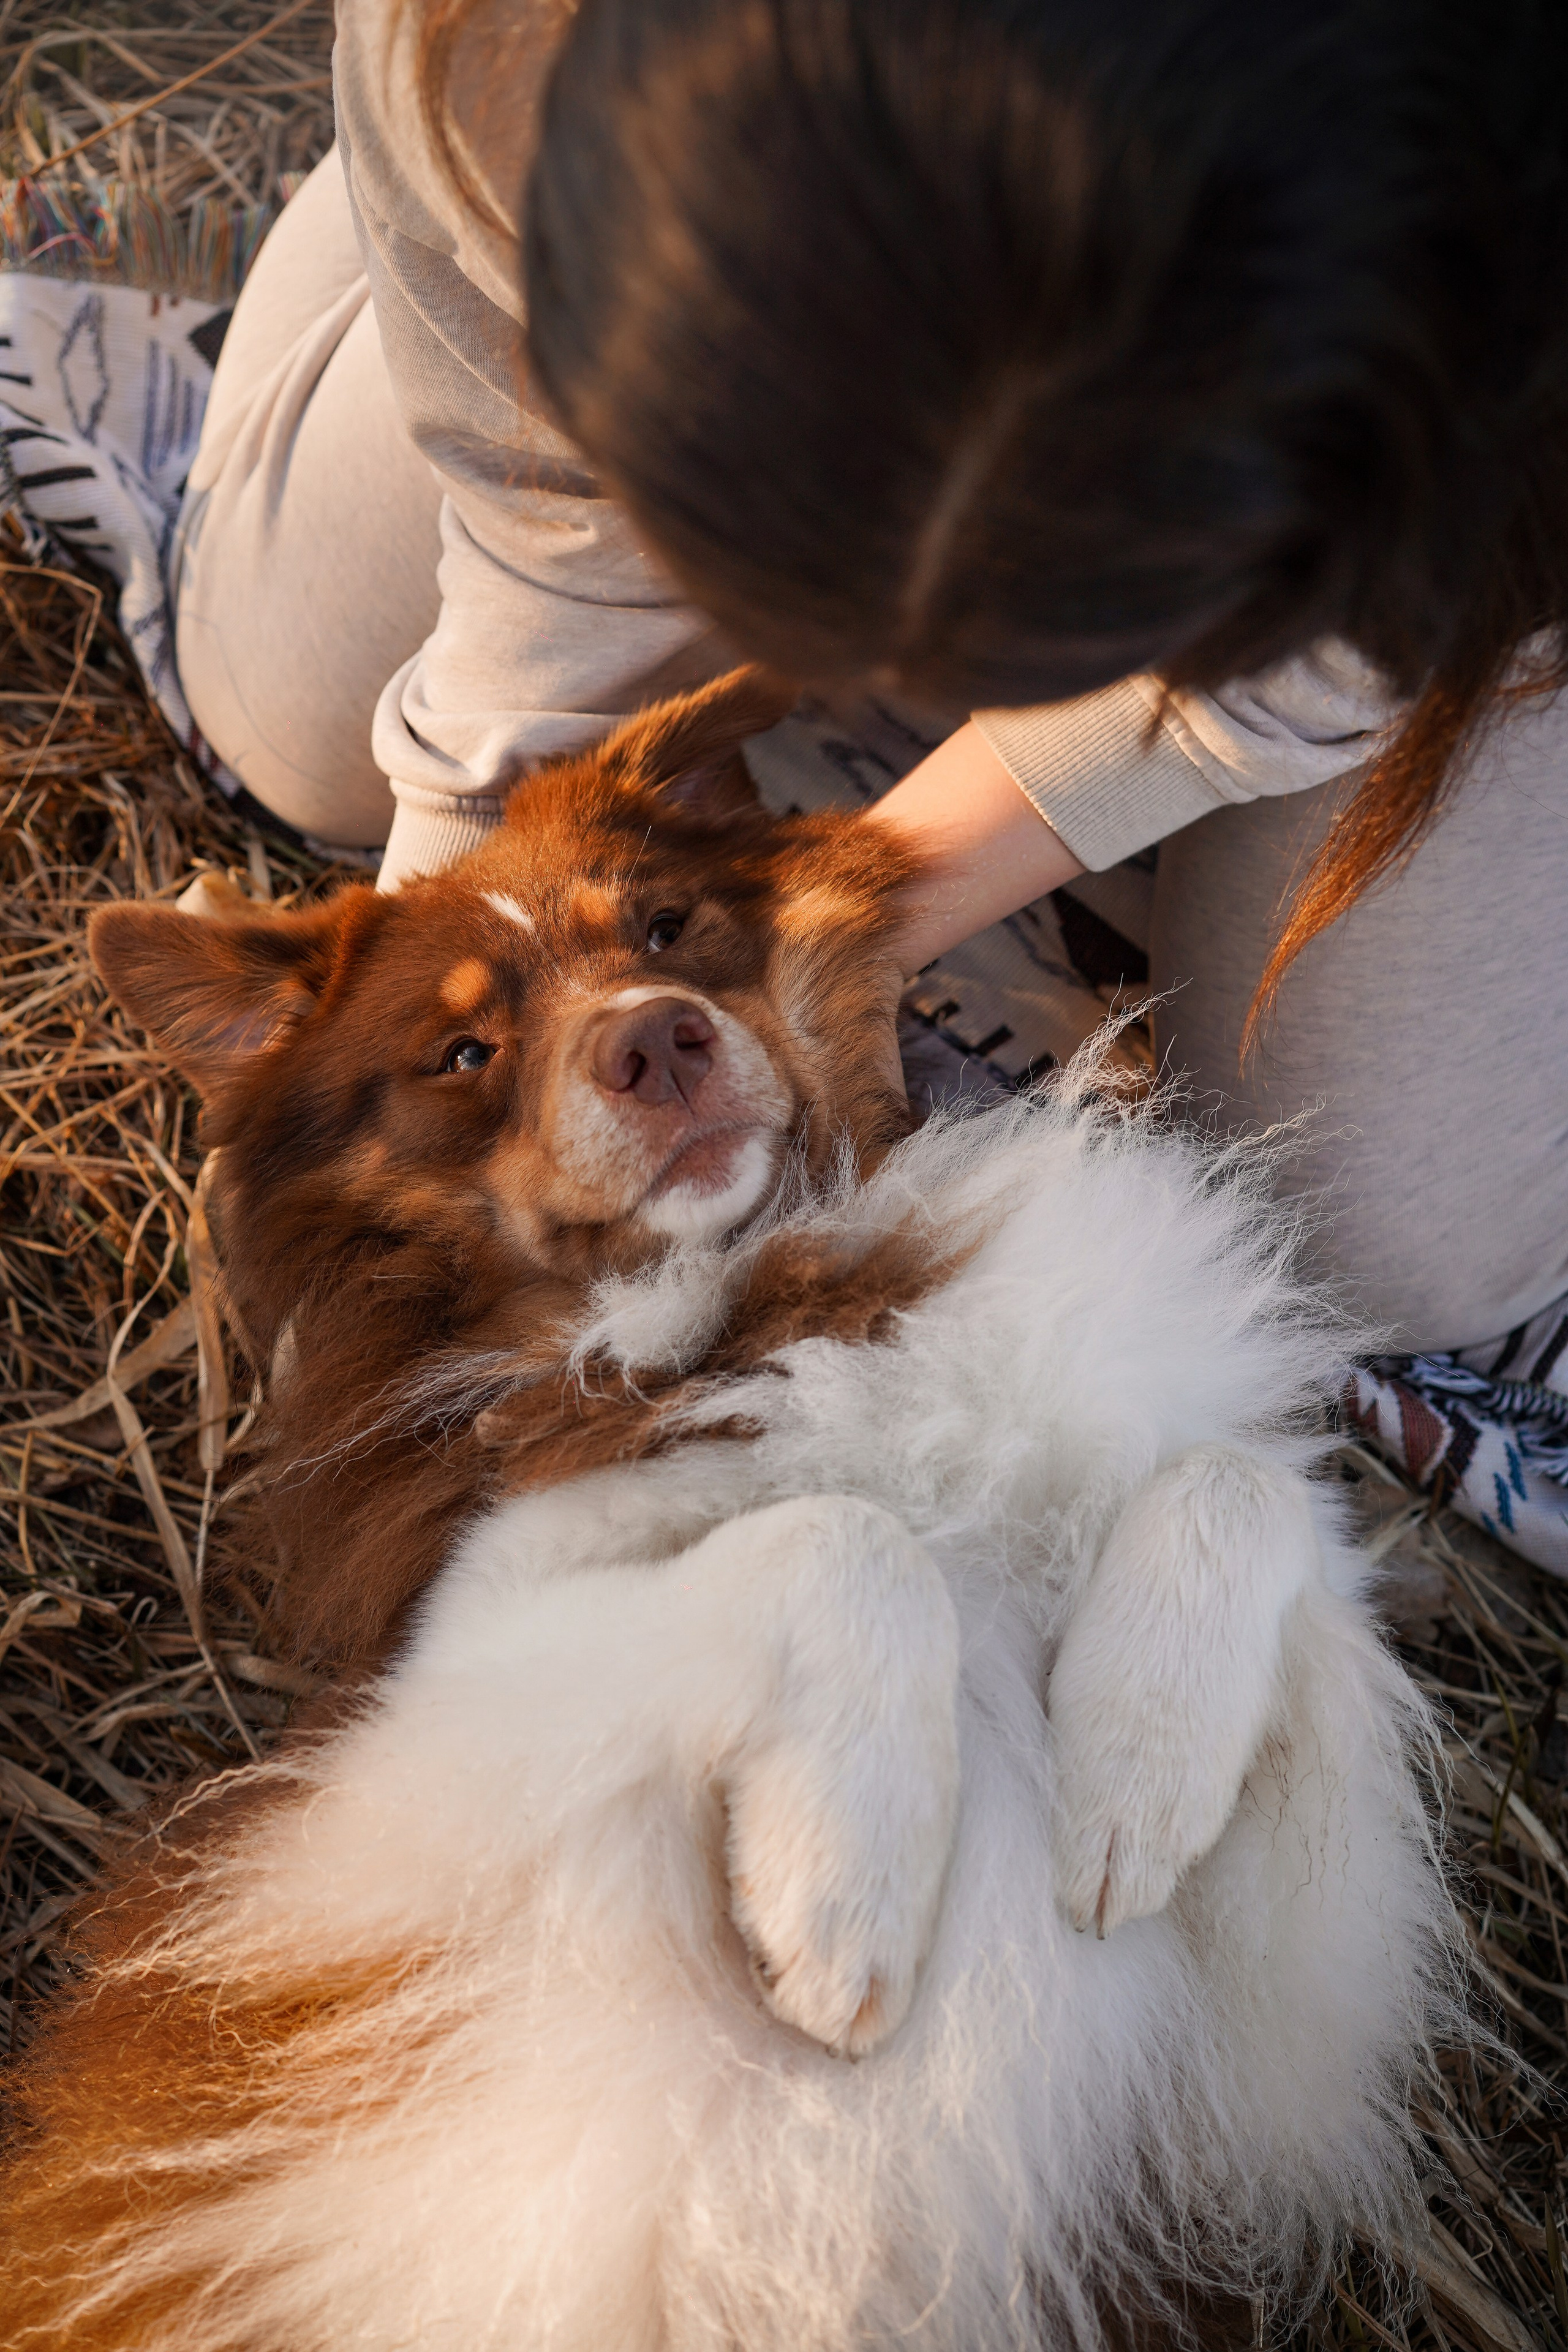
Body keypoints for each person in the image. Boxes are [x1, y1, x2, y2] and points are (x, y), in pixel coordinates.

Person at [163, 0, 1568, 1560]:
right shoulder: (506, 49)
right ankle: (372, 255)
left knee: (1379, 1235)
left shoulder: (1443, 248)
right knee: (294, 731)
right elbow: (543, 556)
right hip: (587, 174)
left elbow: (1336, 632)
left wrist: (869, 913)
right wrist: (433, 971)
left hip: (1483, 516)